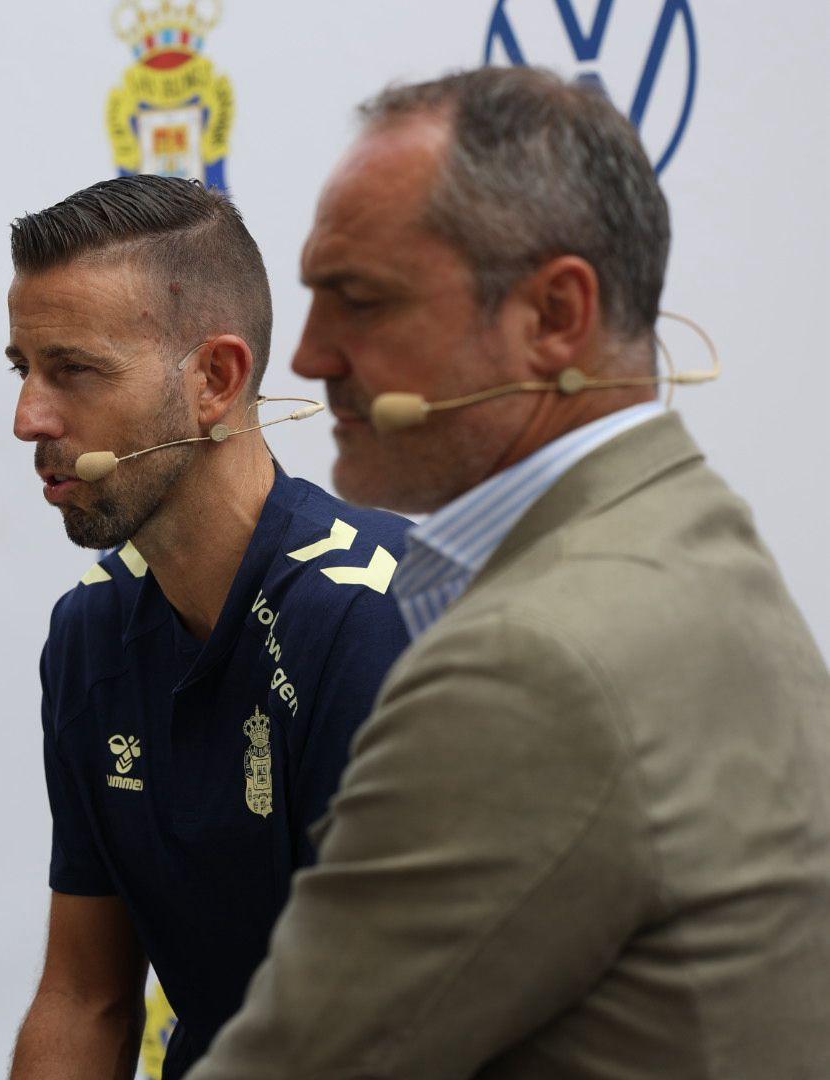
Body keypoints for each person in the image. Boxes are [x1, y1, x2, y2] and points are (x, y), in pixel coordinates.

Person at [190, 67, 830, 1079]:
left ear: (555, 316)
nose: (307, 359)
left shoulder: (532, 665)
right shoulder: (691, 535)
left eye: (359, 299)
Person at [4, 175, 413, 1079]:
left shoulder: (375, 622)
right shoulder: (91, 634)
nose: (29, 416)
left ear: (216, 381)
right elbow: (87, 998)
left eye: (73, 369)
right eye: (22, 369)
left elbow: (395, 1030)